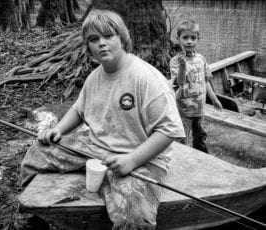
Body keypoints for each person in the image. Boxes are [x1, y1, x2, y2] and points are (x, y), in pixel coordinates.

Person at [16, 9, 185, 230]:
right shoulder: (95, 77)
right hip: (95, 147)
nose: (101, 44)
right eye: (94, 39)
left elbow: (169, 130)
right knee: (37, 153)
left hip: (142, 157)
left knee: (134, 219)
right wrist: (58, 129)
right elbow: (79, 109)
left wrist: (132, 159)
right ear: (88, 47)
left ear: (123, 38)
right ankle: (33, 217)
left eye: (108, 36)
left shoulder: (147, 79)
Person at [169, 19, 222, 153]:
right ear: (178, 39)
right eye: (185, 37)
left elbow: (206, 81)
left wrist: (214, 99)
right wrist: (182, 66)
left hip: (200, 108)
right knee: (182, 138)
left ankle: (202, 157)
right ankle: (182, 158)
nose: (189, 41)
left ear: (198, 38)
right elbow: (179, 83)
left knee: (200, 135)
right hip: (183, 110)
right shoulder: (175, 61)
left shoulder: (201, 59)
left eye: (193, 38)